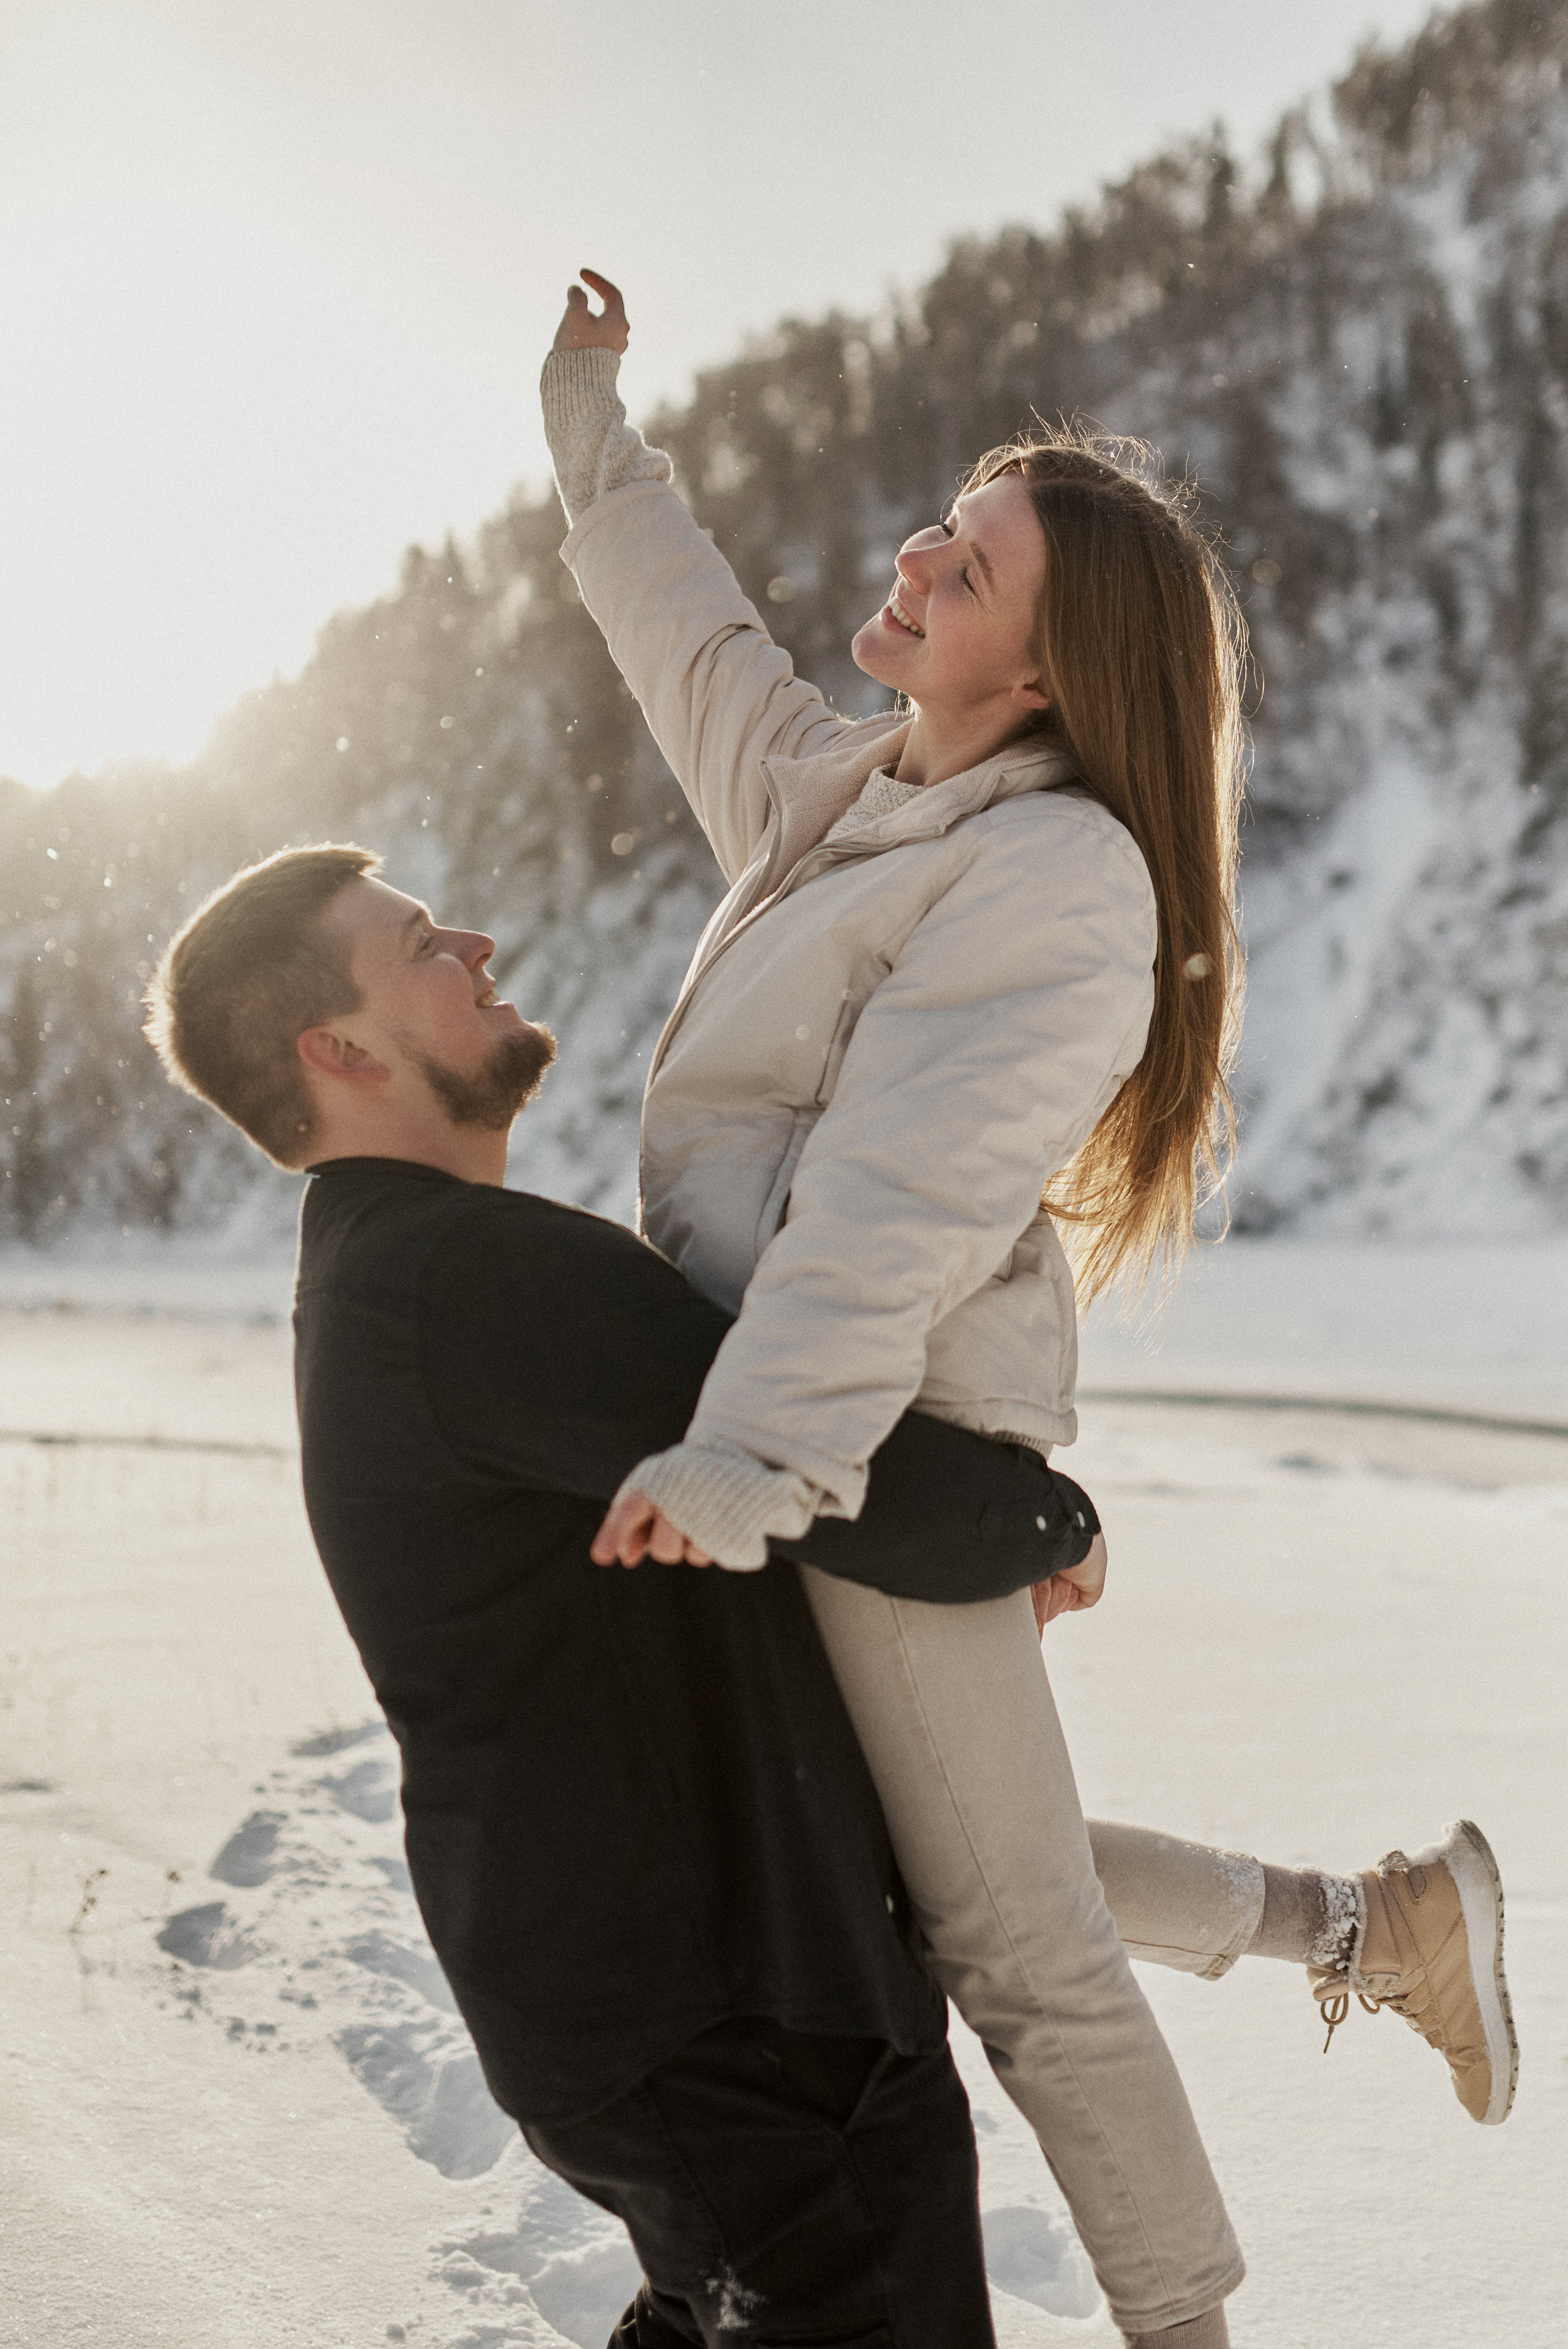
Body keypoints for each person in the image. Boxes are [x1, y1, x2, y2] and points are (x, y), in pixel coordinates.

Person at [541, 272, 1519, 2349]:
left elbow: (889, 1203)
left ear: (1052, 666)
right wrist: (590, 431)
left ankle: (1195, 2313)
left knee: (1017, 1950)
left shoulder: (1064, 881)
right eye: (940, 524)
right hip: (806, 1436)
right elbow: (687, 639)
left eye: (967, 565)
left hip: (868, 1449)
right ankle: (1379, 1921)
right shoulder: (845, 794)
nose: (914, 556)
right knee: (949, 1871)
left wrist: (748, 1453)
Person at [143, 841, 1117, 2349]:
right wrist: (1045, 1518)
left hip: (659, 2003)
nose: (469, 939)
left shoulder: (391, 1276)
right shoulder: (465, 1279)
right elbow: (823, 1464)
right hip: (730, 2011)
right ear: (337, 1052)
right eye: (415, 946)